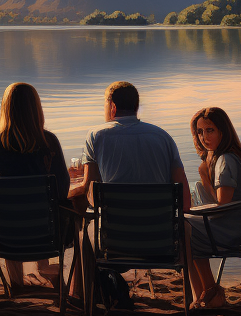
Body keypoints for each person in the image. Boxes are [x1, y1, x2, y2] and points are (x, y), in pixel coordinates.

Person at [69, 81, 188, 301]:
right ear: (136, 106)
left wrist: (74, 193)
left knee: (83, 229)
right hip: (161, 243)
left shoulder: (96, 136)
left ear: (112, 106)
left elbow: (91, 195)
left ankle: (79, 297)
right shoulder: (164, 138)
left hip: (113, 243)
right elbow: (185, 200)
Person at [0, 82, 76, 288]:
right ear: (36, 108)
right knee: (63, 209)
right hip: (49, 236)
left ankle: (15, 284)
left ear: (5, 108)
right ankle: (49, 272)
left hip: (5, 237)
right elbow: (62, 191)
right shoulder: (49, 141)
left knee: (9, 212)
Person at [184, 107, 241, 310]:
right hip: (234, 225)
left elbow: (222, 203)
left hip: (228, 229)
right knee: (184, 225)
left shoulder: (225, 160)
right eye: (199, 132)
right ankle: (203, 294)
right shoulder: (229, 156)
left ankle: (208, 293)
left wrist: (204, 177)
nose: (203, 137)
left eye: (210, 130)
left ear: (223, 132)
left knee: (183, 229)